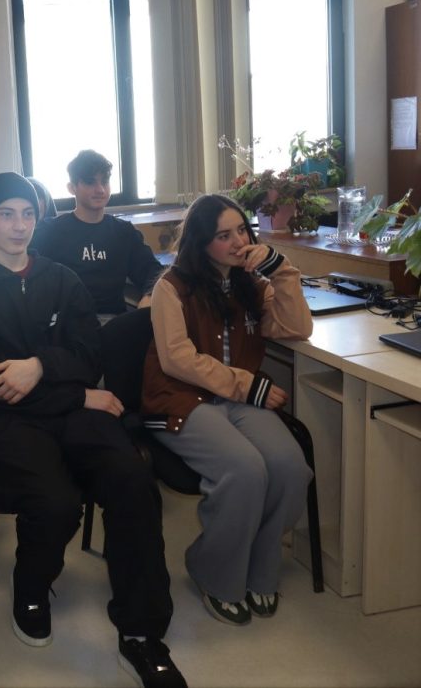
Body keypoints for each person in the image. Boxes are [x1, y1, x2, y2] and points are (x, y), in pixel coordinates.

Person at [0, 172, 185, 688]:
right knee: (55, 501)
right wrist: (75, 392)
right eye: (6, 214)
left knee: (132, 480)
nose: (19, 225)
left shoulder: (61, 279)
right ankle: (31, 586)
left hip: (71, 412)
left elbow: (89, 354)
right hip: (5, 422)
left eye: (28, 214)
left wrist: (39, 366)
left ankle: (141, 632)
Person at [141, 193, 313, 626]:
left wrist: (281, 269)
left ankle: (260, 566)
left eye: (242, 231)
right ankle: (214, 572)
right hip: (181, 399)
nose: (238, 242)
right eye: (223, 235)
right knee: (244, 469)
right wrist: (247, 385)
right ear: (201, 243)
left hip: (237, 400)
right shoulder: (171, 287)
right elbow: (177, 360)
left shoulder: (250, 283)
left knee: (290, 468)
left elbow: (296, 327)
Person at [34, 149, 163, 320]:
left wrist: (149, 296)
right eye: (90, 182)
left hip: (114, 322)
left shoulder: (124, 232)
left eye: (105, 181)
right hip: (67, 322)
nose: (100, 189)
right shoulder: (50, 231)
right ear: (72, 188)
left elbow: (153, 272)